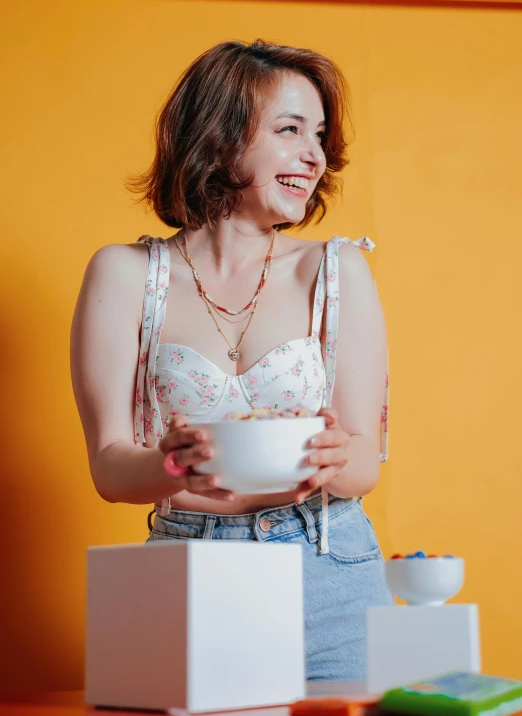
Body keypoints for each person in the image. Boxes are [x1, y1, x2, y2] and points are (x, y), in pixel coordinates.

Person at [70, 39, 393, 682]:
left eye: (319, 134)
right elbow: (110, 467)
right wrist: (173, 462)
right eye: (289, 129)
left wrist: (335, 455)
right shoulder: (126, 274)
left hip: (329, 571)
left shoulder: (337, 271)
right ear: (218, 137)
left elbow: (364, 465)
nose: (314, 154)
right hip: (187, 572)